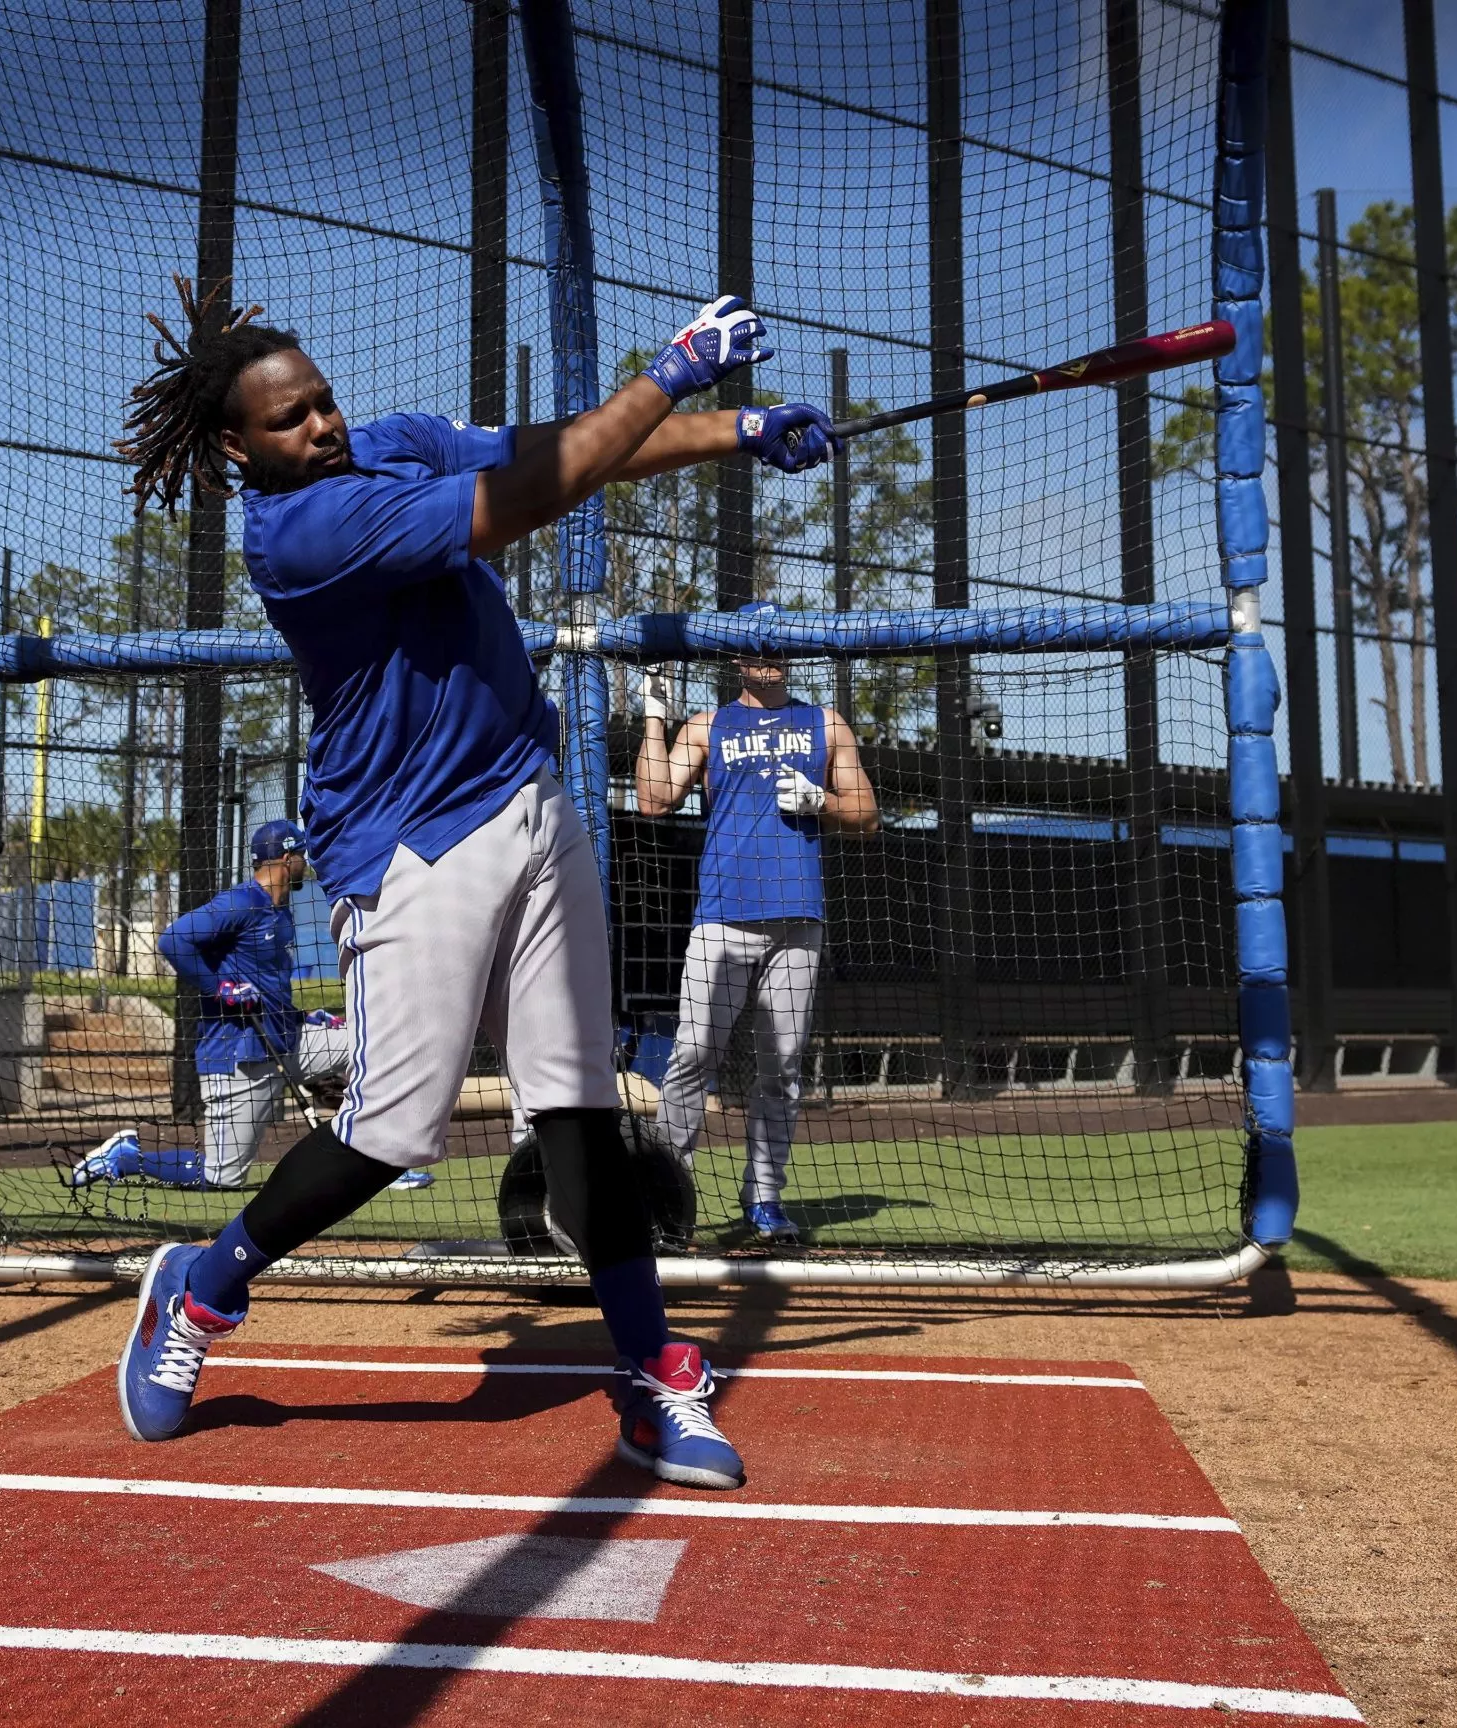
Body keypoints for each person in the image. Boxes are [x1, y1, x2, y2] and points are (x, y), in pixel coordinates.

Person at [103, 276, 834, 1488]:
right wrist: (681, 369)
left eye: (321, 403)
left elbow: (558, 447)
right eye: (287, 422)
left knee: (582, 1115)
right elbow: (526, 498)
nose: (321, 428)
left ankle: (655, 1377)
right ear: (237, 448)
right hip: (406, 843)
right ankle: (203, 1291)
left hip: (529, 799)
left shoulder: (384, 450)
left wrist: (737, 433)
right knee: (391, 1130)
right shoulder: (300, 536)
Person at [632, 606, 880, 1243]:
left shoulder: (825, 722)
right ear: (737, 657)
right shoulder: (709, 722)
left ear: (790, 654)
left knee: (783, 1067)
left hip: (799, 920)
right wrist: (654, 715)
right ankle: (667, 1196)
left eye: (776, 648)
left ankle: (764, 1198)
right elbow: (654, 800)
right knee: (691, 1056)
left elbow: (868, 814)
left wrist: (821, 801)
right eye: (755, 648)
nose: (767, 658)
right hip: (723, 917)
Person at [71, 818, 404, 1191]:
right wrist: (221, 987)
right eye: (301, 856)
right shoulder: (240, 902)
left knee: (369, 1041)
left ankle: (383, 1158)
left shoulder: (280, 911)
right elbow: (173, 941)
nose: (305, 864)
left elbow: (266, 986)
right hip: (238, 1056)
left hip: (285, 1040)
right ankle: (128, 1155)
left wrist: (303, 1016)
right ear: (286, 857)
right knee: (221, 1177)